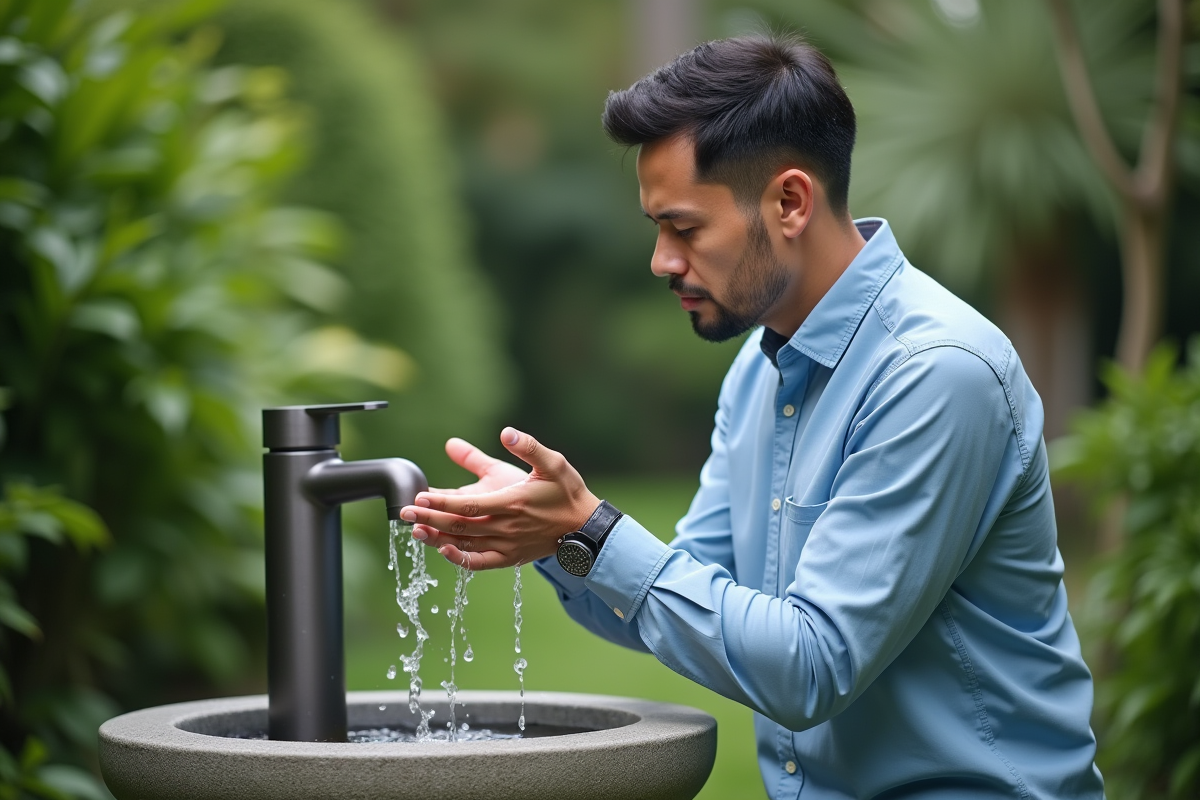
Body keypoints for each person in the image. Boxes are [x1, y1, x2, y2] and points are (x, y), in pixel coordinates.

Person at [399, 34, 1105, 800]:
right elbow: (673, 605)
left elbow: (812, 666)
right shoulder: (759, 370)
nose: (662, 261)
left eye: (684, 228)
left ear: (790, 202)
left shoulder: (936, 373)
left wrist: (593, 532)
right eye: (657, 229)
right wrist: (552, 532)